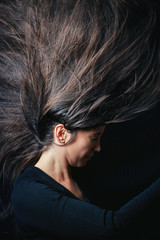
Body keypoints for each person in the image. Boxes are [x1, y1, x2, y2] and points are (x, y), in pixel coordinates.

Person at [0, 0, 160, 239]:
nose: (98, 148)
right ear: (62, 134)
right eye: (94, 138)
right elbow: (113, 228)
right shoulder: (29, 192)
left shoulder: (75, 179)